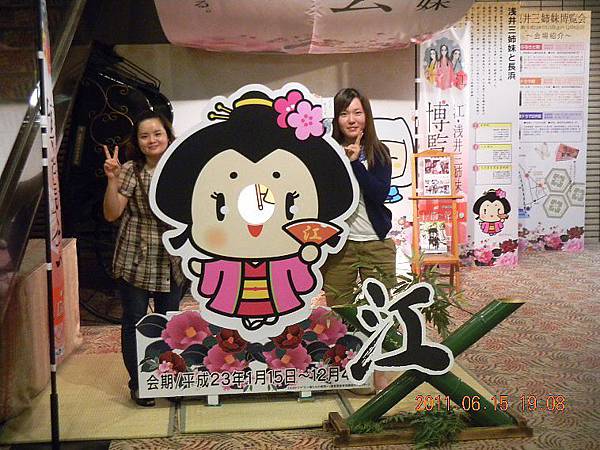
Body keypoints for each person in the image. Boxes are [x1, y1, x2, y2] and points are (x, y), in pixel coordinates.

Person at [103, 110, 185, 407]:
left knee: (168, 322)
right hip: (135, 255)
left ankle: (168, 379)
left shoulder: (181, 166)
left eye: (157, 133)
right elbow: (111, 213)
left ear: (168, 135)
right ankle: (139, 384)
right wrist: (112, 180)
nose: (152, 140)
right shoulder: (130, 170)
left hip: (171, 258)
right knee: (135, 322)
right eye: (144, 136)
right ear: (137, 142)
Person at [322, 88, 396, 306]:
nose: (351, 120)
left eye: (357, 113)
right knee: (339, 307)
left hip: (376, 243)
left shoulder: (379, 152)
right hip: (340, 245)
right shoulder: (329, 153)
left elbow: (379, 194)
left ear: (366, 116)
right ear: (336, 119)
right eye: (344, 114)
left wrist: (355, 164)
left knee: (381, 309)